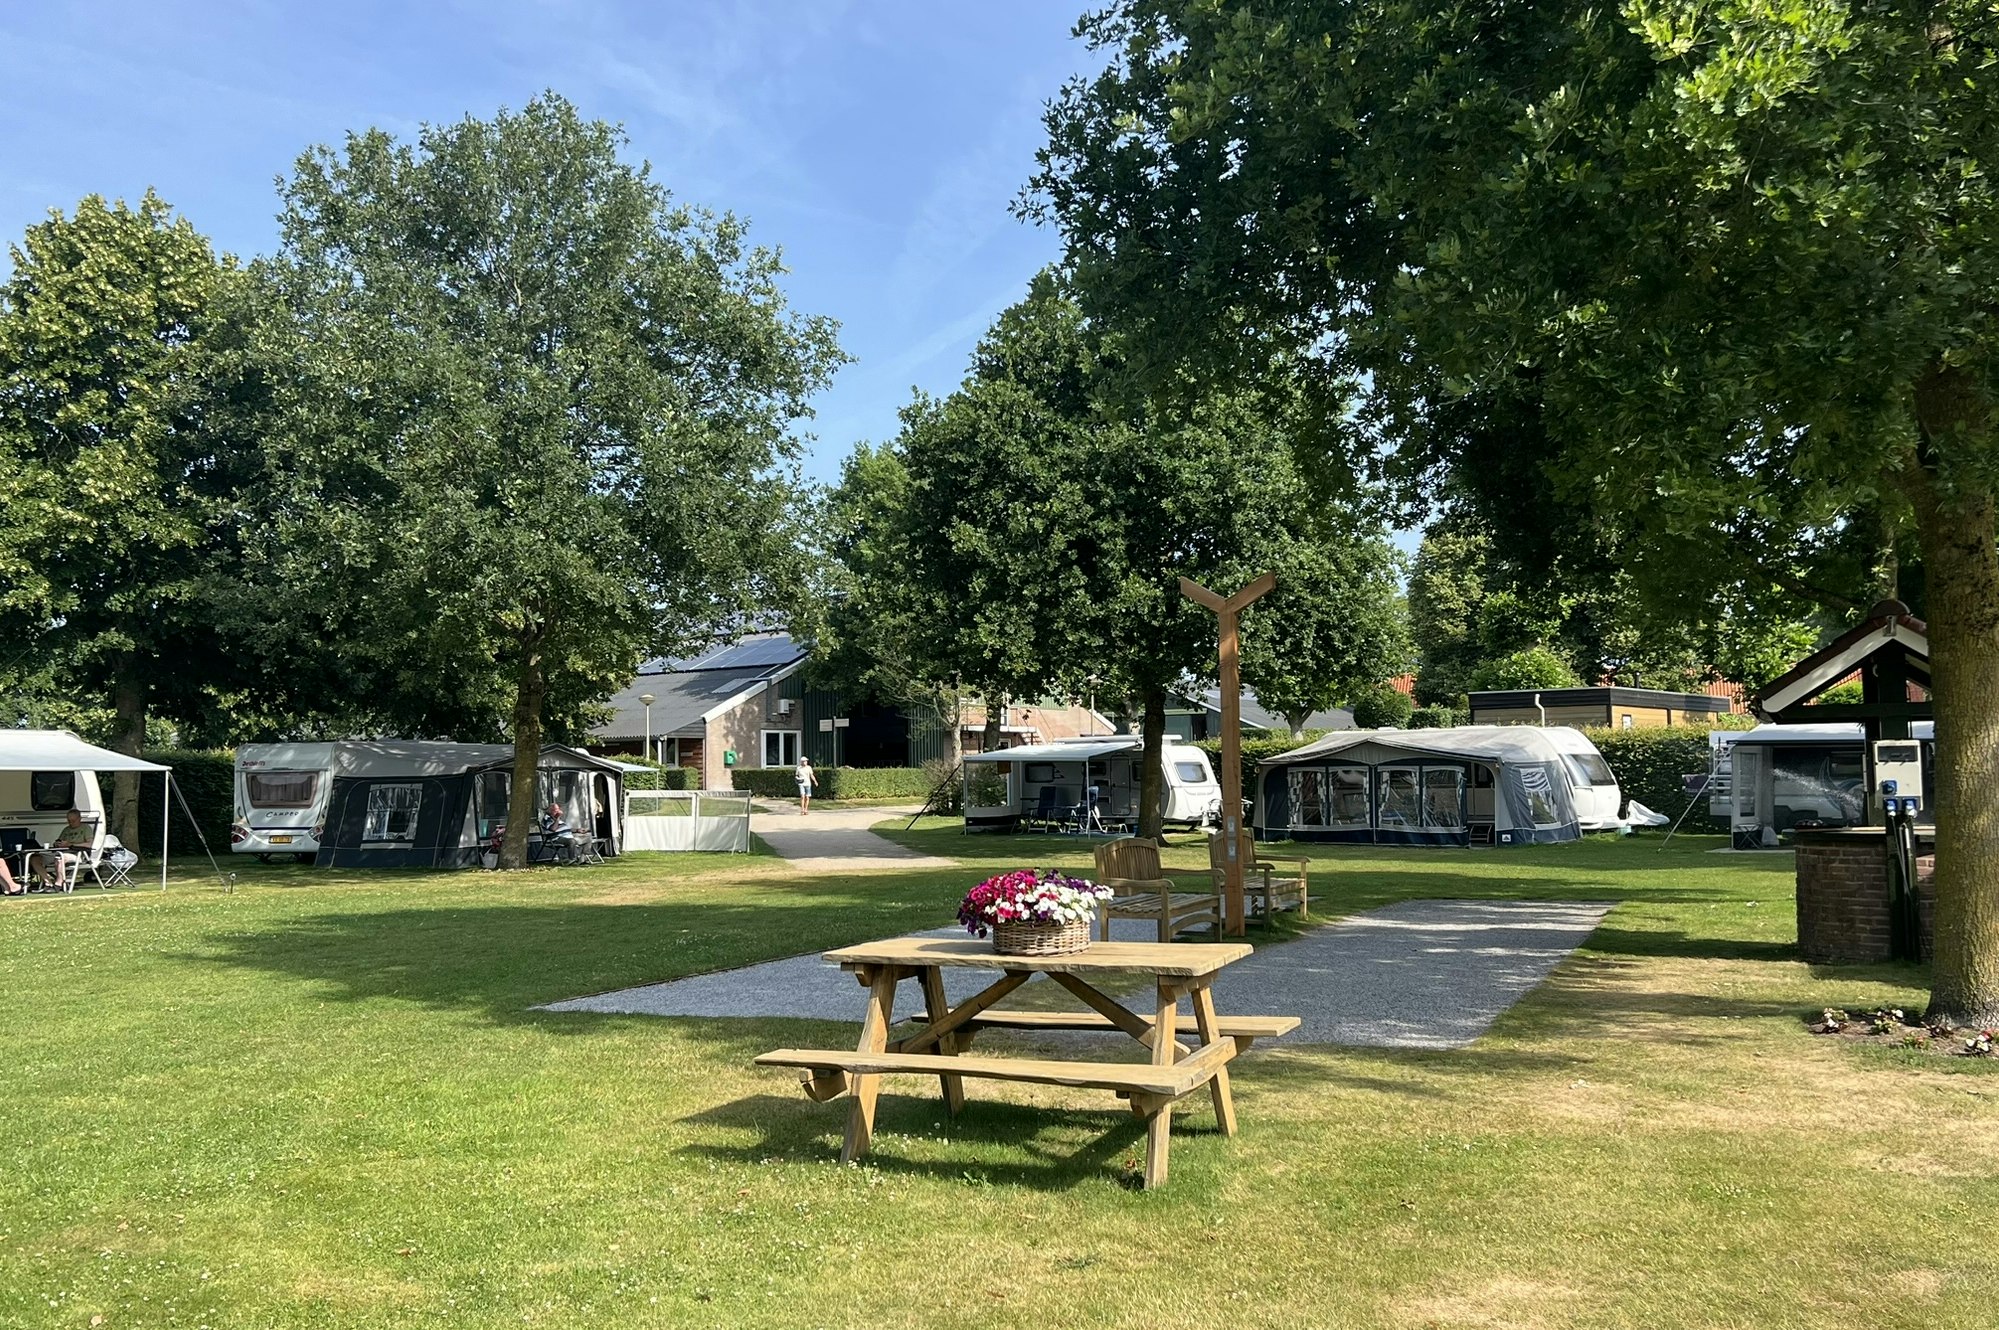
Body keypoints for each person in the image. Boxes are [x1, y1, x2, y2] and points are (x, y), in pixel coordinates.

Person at [29, 809, 93, 890]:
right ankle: (48, 883)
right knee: (35, 859)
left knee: (60, 858)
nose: (71, 823)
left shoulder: (86, 828)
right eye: (69, 821)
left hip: (77, 853)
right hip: (61, 851)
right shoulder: (67, 829)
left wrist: (71, 845)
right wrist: (57, 844)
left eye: (73, 821)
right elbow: (60, 840)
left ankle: (58, 884)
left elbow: (89, 844)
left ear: (80, 818)